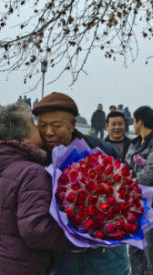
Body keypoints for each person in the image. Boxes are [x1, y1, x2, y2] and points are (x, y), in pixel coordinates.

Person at [0, 103, 80, 274]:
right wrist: (80, 238)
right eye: (34, 125)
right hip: (12, 267)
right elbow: (36, 231)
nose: (41, 131)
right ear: (25, 139)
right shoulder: (31, 172)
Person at [32, 92, 129, 275]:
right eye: (42, 125)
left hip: (105, 260)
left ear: (72, 125)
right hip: (58, 259)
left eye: (56, 125)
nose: (48, 132)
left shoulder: (99, 151)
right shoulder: (37, 158)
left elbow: (128, 193)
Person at [126, 106, 153, 275]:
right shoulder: (136, 143)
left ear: (140, 122)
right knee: (134, 245)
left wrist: (128, 182)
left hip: (149, 203)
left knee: (150, 246)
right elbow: (126, 166)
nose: (132, 124)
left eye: (134, 121)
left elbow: (150, 174)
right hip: (132, 201)